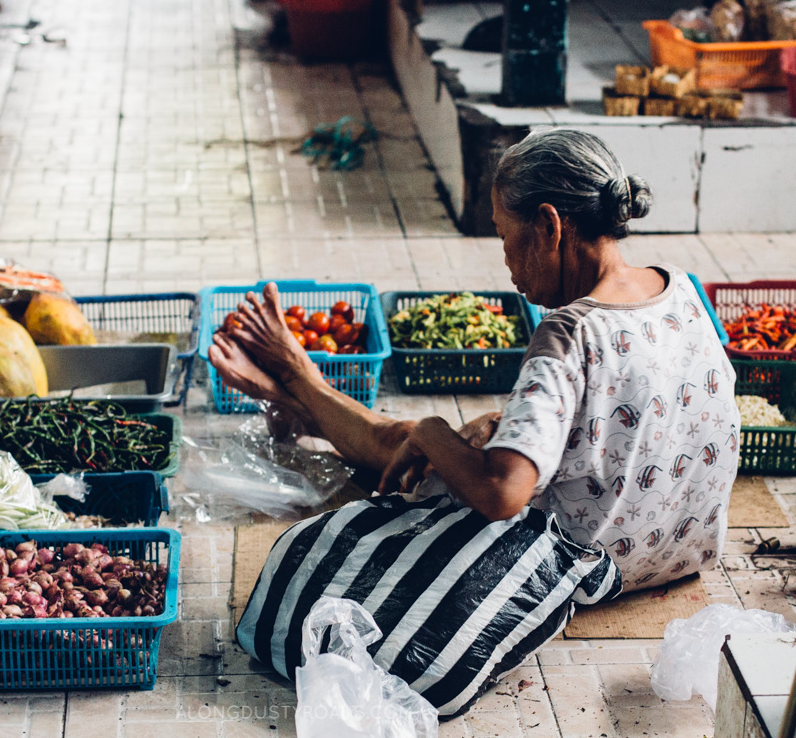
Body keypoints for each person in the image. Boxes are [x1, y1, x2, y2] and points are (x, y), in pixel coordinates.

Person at [215, 128, 741, 713]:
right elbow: (640, 411)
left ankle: (300, 387)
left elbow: (500, 494)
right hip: (683, 546)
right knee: (468, 434)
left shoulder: (568, 332)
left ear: (548, 225)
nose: (508, 262)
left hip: (599, 560)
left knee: (403, 468)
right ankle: (301, 392)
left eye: (505, 237)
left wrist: (432, 433)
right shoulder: (679, 287)